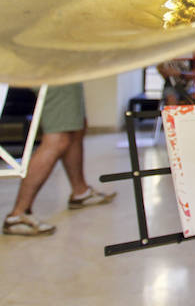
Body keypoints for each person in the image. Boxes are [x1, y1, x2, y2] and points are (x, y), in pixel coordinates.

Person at [3, 83, 116, 236]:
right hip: (55, 70)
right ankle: (19, 214)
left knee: (76, 128)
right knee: (59, 137)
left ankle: (80, 192)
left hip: (65, 70)